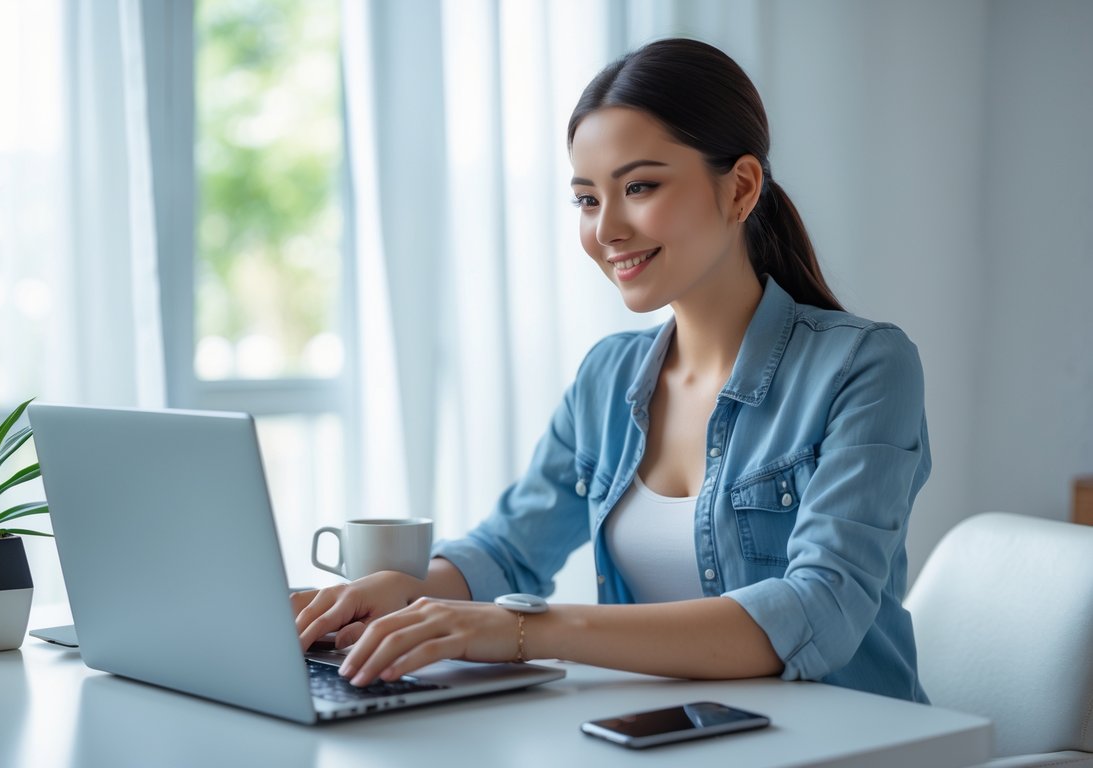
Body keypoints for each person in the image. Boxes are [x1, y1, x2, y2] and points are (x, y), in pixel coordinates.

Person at [292, 37, 931, 704]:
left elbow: (815, 609)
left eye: (638, 186)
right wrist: (409, 590)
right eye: (587, 200)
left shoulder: (864, 367)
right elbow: (509, 550)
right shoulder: (608, 377)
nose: (607, 230)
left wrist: (522, 630)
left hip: (852, 739)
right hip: (681, 737)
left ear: (739, 188)